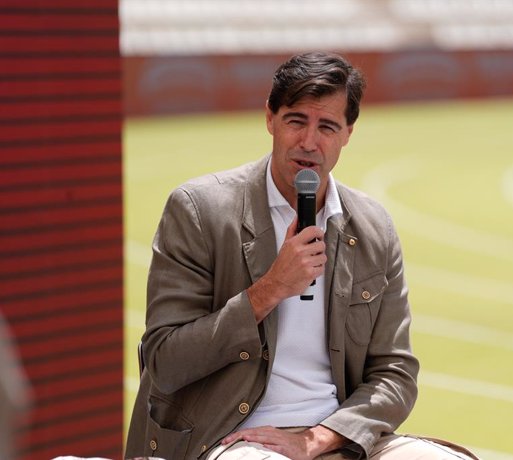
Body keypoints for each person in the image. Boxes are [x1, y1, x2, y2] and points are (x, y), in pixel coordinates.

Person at [126, 52, 479, 460]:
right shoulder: (200, 210)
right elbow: (166, 362)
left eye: (327, 126)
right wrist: (269, 290)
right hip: (231, 435)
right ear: (270, 119)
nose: (309, 142)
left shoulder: (372, 227)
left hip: (337, 433)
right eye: (296, 121)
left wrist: (323, 437)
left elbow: (395, 374)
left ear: (348, 133)